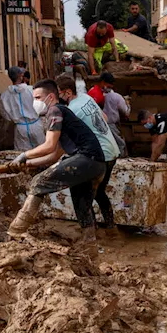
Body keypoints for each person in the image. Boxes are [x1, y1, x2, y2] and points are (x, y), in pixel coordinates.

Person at [6, 79, 107, 239]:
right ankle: (90, 246)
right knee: (82, 205)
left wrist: (24, 155)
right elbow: (55, 155)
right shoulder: (63, 114)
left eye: (38, 98)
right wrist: (28, 164)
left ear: (51, 96)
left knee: (39, 182)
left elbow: (49, 145)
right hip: (96, 164)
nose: (35, 102)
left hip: (86, 159)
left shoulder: (55, 111)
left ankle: (16, 230)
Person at [56, 75, 120, 228]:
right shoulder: (86, 97)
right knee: (99, 192)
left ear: (67, 92)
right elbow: (104, 117)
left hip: (99, 155)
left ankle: (91, 234)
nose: (59, 96)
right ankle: (111, 228)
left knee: (83, 195)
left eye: (59, 92)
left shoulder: (71, 111)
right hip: (112, 150)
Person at [0, 66, 45, 151]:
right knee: (42, 151)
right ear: (21, 76)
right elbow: (41, 106)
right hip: (35, 125)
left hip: (20, 128)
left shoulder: (5, 95)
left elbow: (5, 114)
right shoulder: (32, 90)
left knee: (23, 155)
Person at [100, 76, 130, 158]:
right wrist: (127, 103)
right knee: (120, 144)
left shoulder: (97, 95)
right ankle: (120, 161)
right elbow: (126, 112)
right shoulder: (116, 96)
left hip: (99, 125)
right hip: (111, 124)